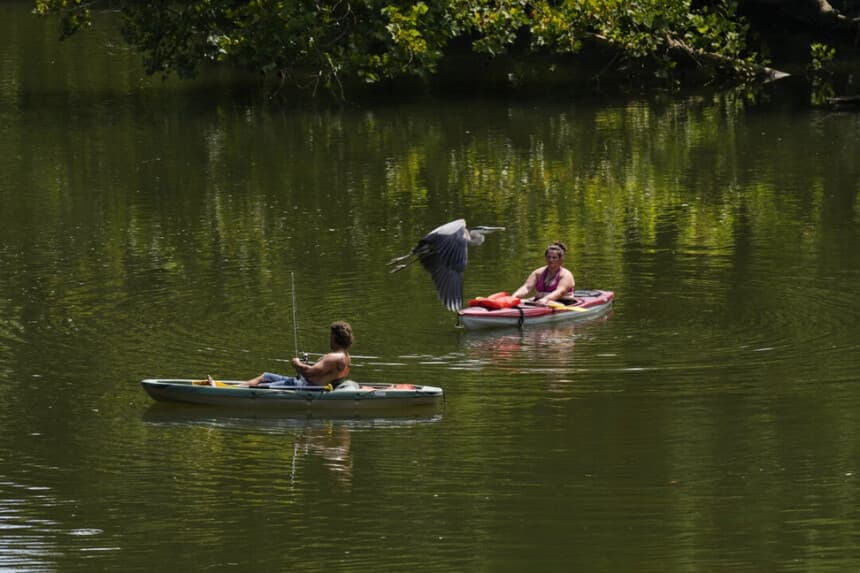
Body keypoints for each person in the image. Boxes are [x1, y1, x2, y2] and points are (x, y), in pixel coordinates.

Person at [206, 321, 354, 388]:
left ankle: (221, 390)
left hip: (302, 387)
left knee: (261, 387)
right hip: (303, 382)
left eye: (330, 335)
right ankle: (230, 387)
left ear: (335, 337)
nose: (329, 338)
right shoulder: (346, 358)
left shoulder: (333, 357)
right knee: (265, 377)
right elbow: (324, 374)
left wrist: (297, 364)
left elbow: (309, 373)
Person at [511, 242, 576, 305]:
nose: (551, 260)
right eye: (549, 257)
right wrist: (514, 296)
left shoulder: (566, 275)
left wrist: (545, 299)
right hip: (541, 301)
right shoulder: (537, 273)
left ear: (560, 259)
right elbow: (526, 288)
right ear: (545, 258)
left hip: (563, 302)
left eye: (554, 257)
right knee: (520, 301)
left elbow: (560, 292)